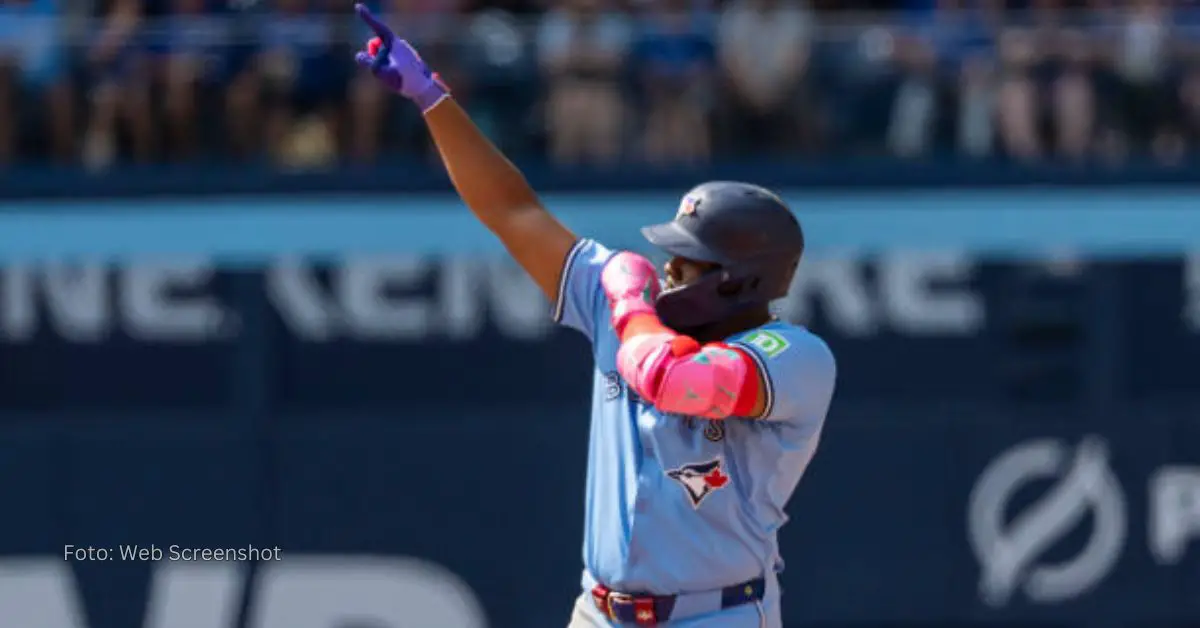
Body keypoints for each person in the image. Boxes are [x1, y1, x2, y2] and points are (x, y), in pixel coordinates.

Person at [350, 6, 837, 626]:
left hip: (716, 614)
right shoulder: (628, 297)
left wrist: (627, 300)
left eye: (687, 262)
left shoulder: (796, 358)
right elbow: (515, 213)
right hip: (599, 611)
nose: (666, 269)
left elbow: (677, 380)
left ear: (740, 281)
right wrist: (432, 100)